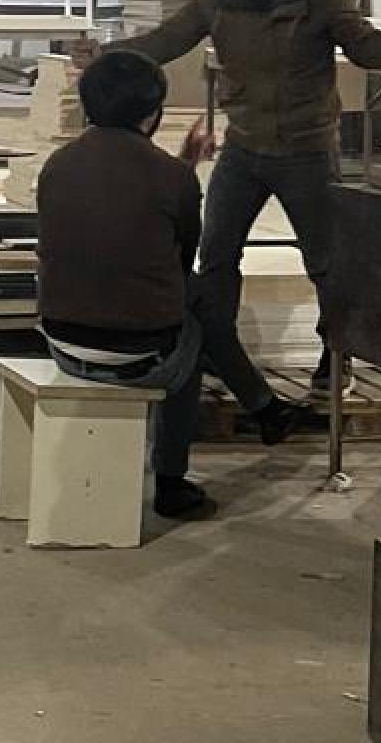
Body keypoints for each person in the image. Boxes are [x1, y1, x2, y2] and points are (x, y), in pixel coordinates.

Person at [118, 0, 381, 402]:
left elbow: (368, 51)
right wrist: (103, 57)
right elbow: (166, 41)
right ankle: (216, 350)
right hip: (243, 149)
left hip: (308, 150)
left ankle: (335, 355)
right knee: (216, 255)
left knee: (326, 261)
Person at [38, 51, 304, 522]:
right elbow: (180, 258)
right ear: (153, 113)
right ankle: (173, 480)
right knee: (194, 329)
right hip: (136, 358)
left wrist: (182, 166)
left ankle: (266, 409)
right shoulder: (171, 177)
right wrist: (186, 171)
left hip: (61, 341)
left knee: (189, 303)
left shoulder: (57, 165)